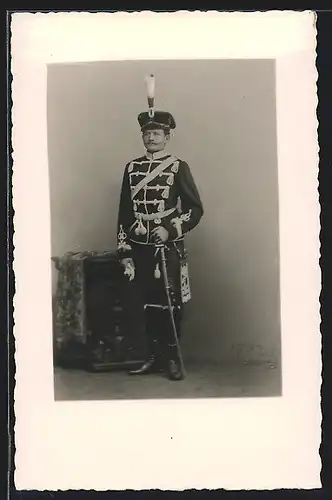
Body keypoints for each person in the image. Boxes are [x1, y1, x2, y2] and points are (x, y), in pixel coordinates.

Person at [116, 76, 203, 381]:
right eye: (147, 133)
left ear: (167, 136)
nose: (151, 138)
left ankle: (171, 359)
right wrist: (124, 249)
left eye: (156, 133)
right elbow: (124, 212)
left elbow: (195, 209)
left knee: (170, 301)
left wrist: (170, 228)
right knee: (145, 303)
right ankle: (152, 357)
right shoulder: (131, 168)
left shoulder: (179, 167)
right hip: (139, 245)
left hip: (167, 245)